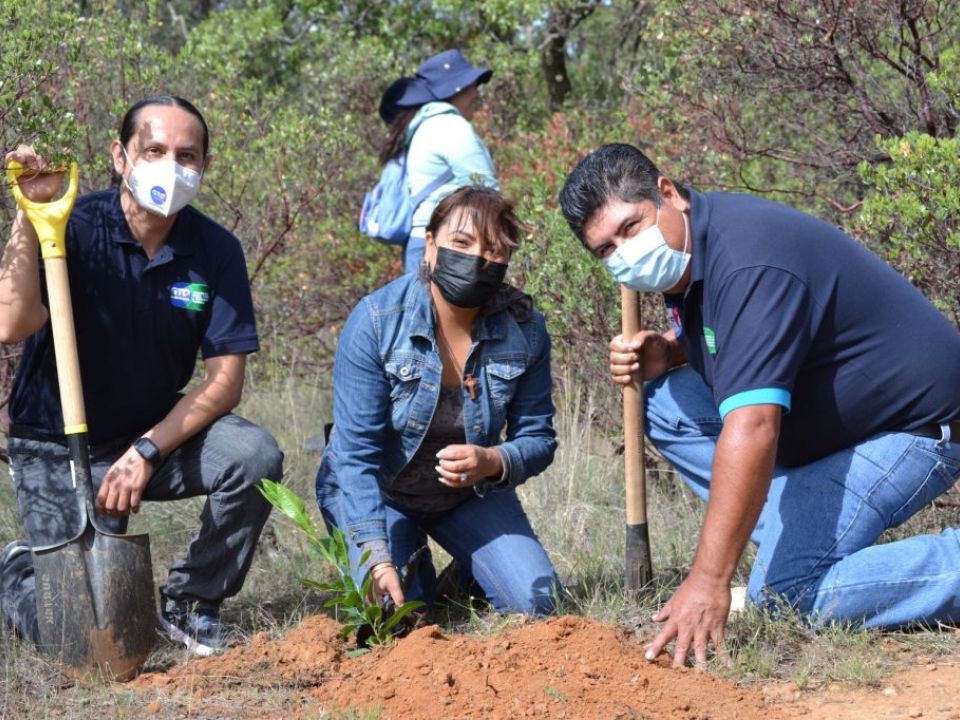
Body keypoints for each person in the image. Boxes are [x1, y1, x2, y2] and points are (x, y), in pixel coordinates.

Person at [558, 143, 960, 667]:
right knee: (662, 403)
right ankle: (791, 545)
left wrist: (709, 581)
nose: (623, 253)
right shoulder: (693, 249)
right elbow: (755, 334)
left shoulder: (747, 257)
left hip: (914, 429)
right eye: (605, 250)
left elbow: (753, 426)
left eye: (630, 228)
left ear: (667, 194)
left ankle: (807, 565)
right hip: (835, 424)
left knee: (784, 598)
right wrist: (674, 352)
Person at [0, 96, 283, 657]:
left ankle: (191, 601)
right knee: (81, 642)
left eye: (187, 155)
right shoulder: (72, 223)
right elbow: (12, 323)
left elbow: (225, 382)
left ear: (204, 166)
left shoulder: (215, 250)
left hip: (150, 437)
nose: (171, 166)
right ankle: (16, 572)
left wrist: (147, 450)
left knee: (253, 455)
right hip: (55, 443)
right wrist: (28, 216)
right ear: (120, 156)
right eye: (154, 150)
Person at [316, 186, 559, 615]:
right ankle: (415, 560)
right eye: (461, 243)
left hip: (467, 497)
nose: (477, 259)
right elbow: (355, 457)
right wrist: (376, 553)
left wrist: (492, 461)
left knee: (538, 605)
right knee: (394, 618)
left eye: (495, 250)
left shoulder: (527, 329)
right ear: (430, 245)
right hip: (380, 492)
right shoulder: (376, 320)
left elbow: (538, 437)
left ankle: (467, 567)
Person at [377, 48, 500, 273]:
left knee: (422, 308)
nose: (476, 93)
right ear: (457, 88)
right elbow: (487, 192)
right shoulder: (449, 126)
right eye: (472, 85)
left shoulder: (424, 127)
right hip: (449, 246)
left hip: (424, 243)